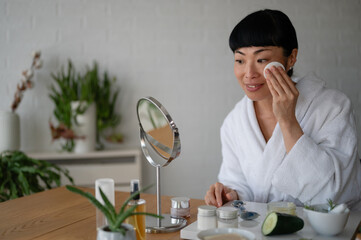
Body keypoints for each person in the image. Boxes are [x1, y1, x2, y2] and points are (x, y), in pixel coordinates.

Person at [204, 9, 361, 210]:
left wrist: (288, 121)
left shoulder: (333, 107)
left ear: (291, 58)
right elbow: (240, 184)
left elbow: (333, 193)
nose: (249, 73)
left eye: (262, 60)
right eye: (240, 60)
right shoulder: (235, 122)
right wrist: (231, 195)